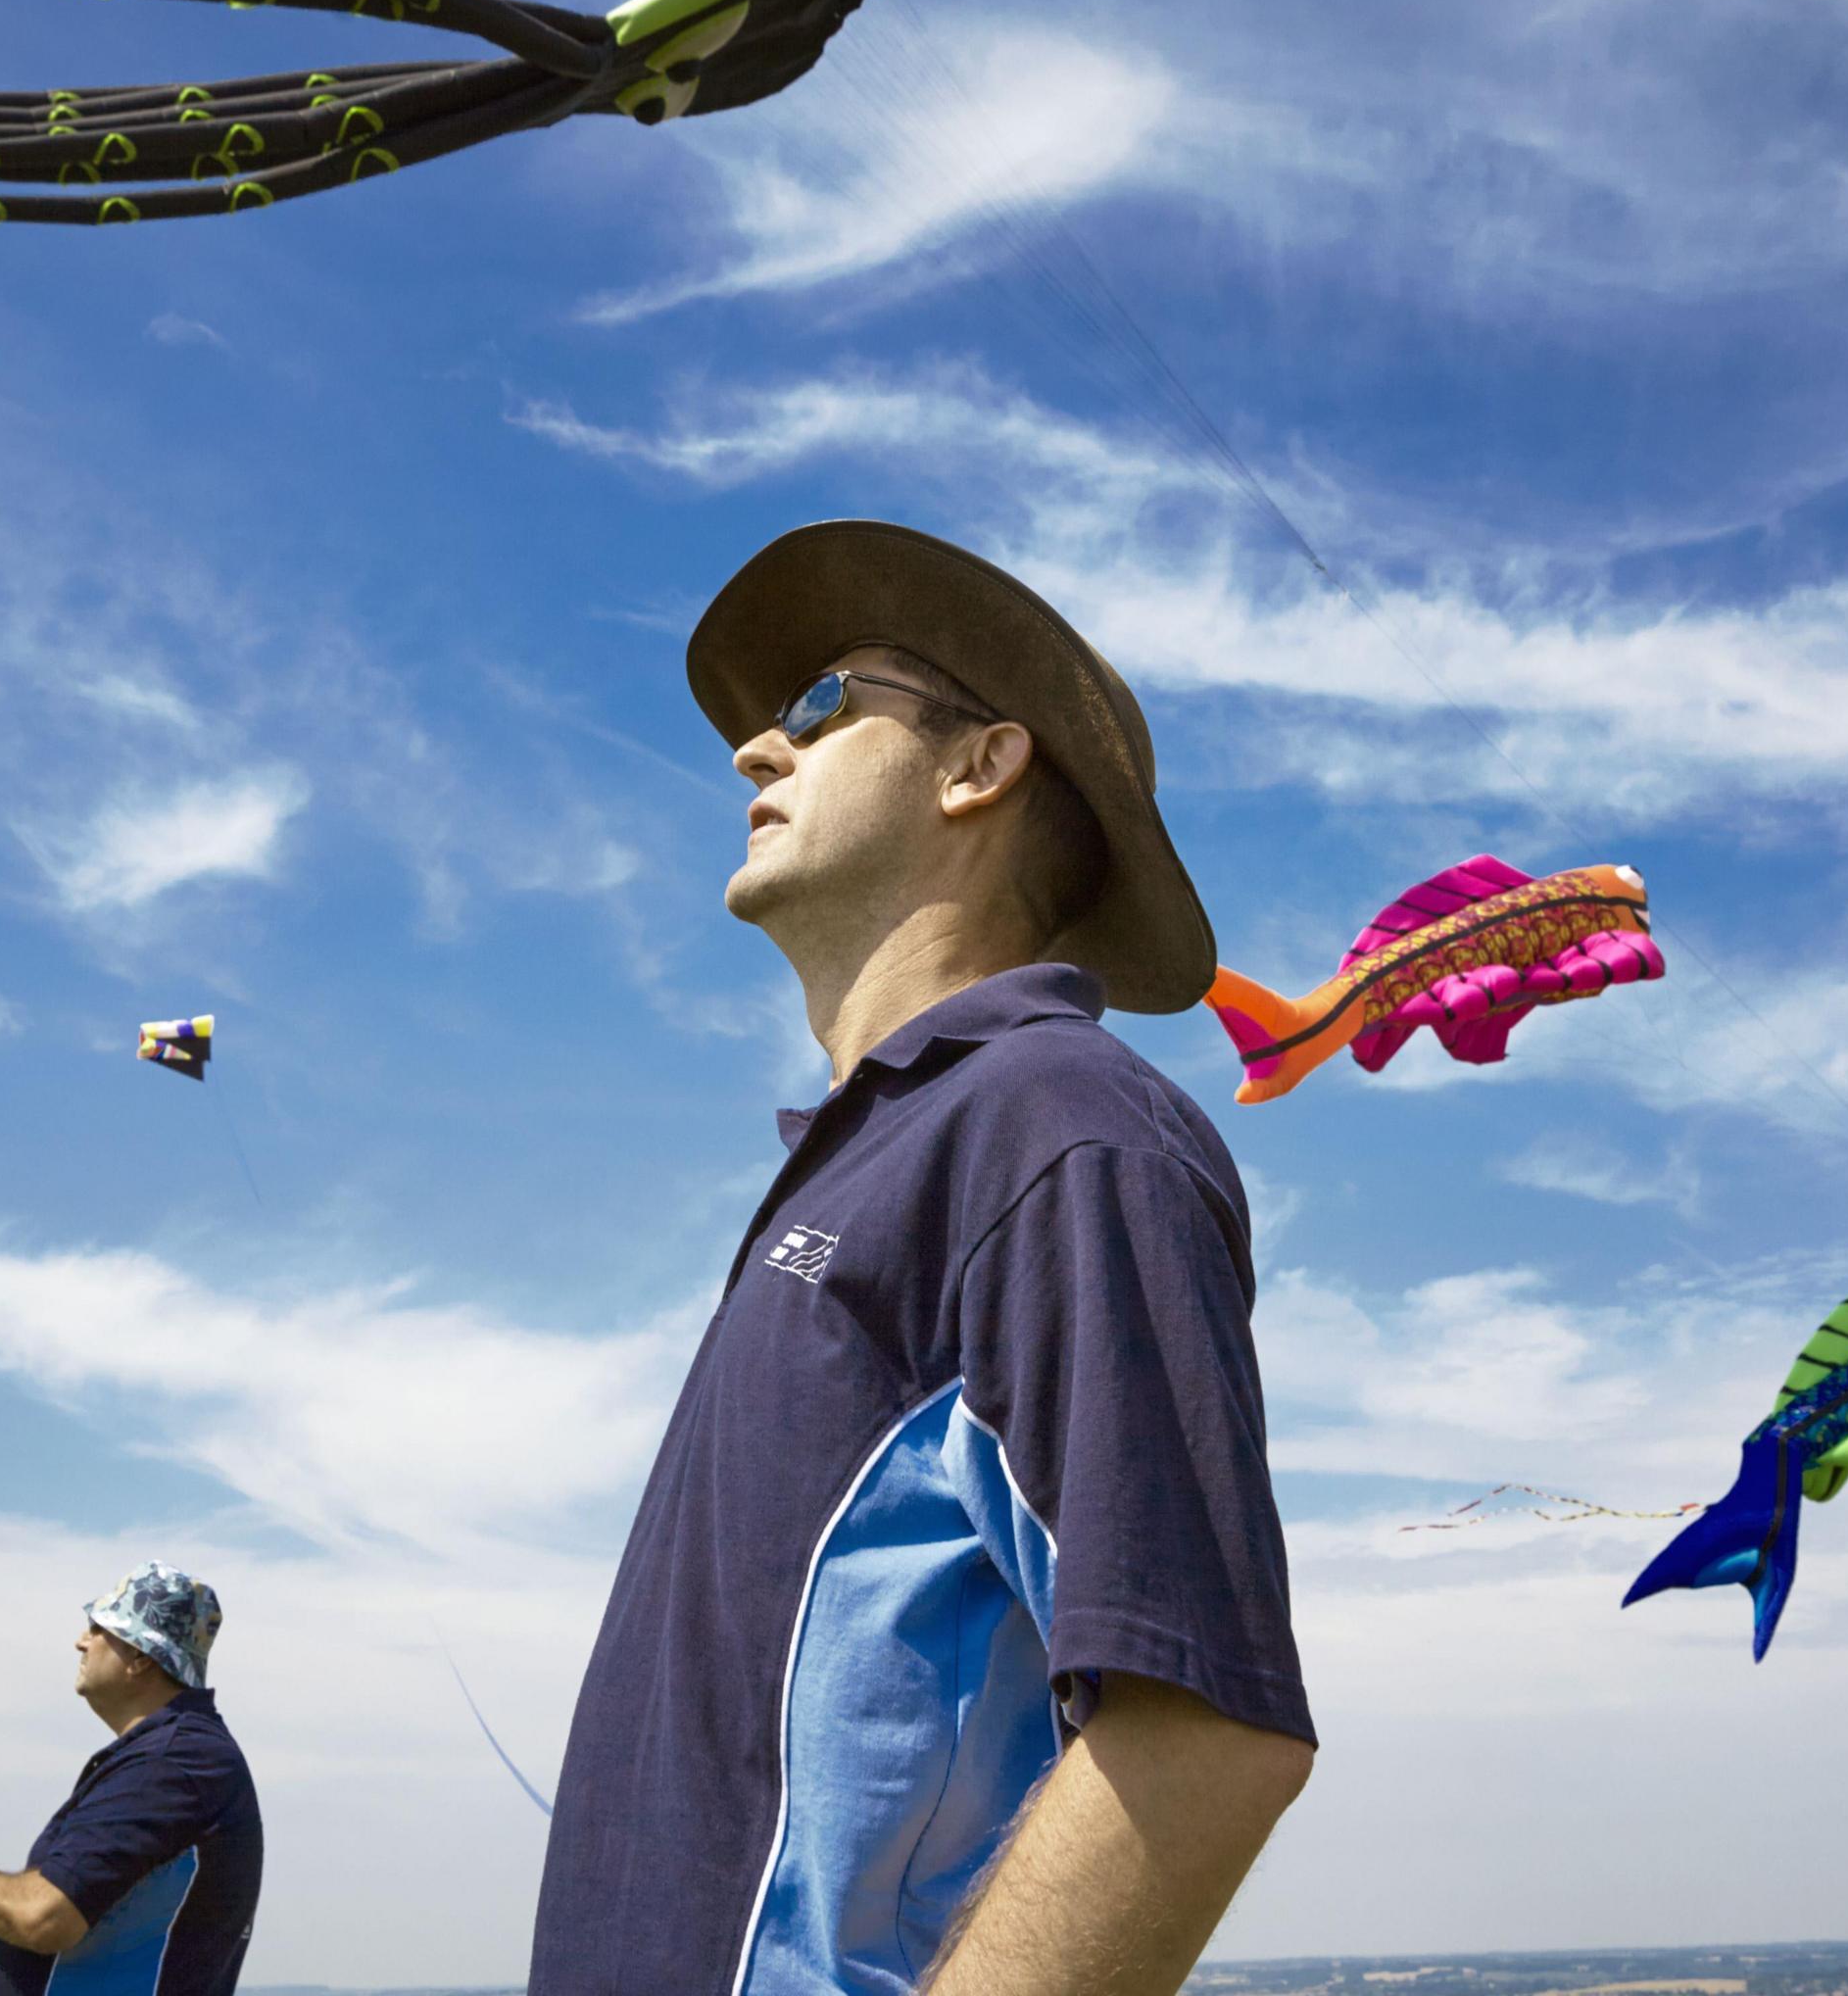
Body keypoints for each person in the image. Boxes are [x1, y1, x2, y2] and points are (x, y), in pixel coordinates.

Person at [530, 521, 1317, 1996]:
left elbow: (1204, 1729)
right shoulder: (878, 1154)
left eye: (828, 703)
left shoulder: (1057, 1123)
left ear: (980, 768)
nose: (762, 751)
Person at [0, 1562, 262, 1996]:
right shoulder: (172, 1757)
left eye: (97, 1628)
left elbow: (44, 1918)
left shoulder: (172, 1763)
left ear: (141, 1659)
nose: (80, 1641)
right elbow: (52, 1923)